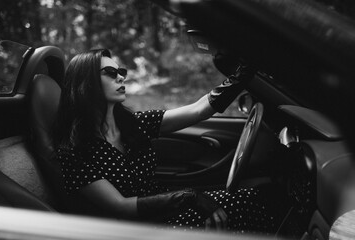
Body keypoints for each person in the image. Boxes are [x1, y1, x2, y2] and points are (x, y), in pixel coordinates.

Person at [53, 49, 285, 234]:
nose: (122, 76)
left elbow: (198, 110)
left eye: (120, 71)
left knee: (256, 196)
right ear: (87, 82)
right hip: (139, 230)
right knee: (237, 208)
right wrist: (187, 197)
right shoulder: (74, 151)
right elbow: (120, 206)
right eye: (111, 73)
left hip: (168, 213)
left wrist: (243, 72)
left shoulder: (133, 124)